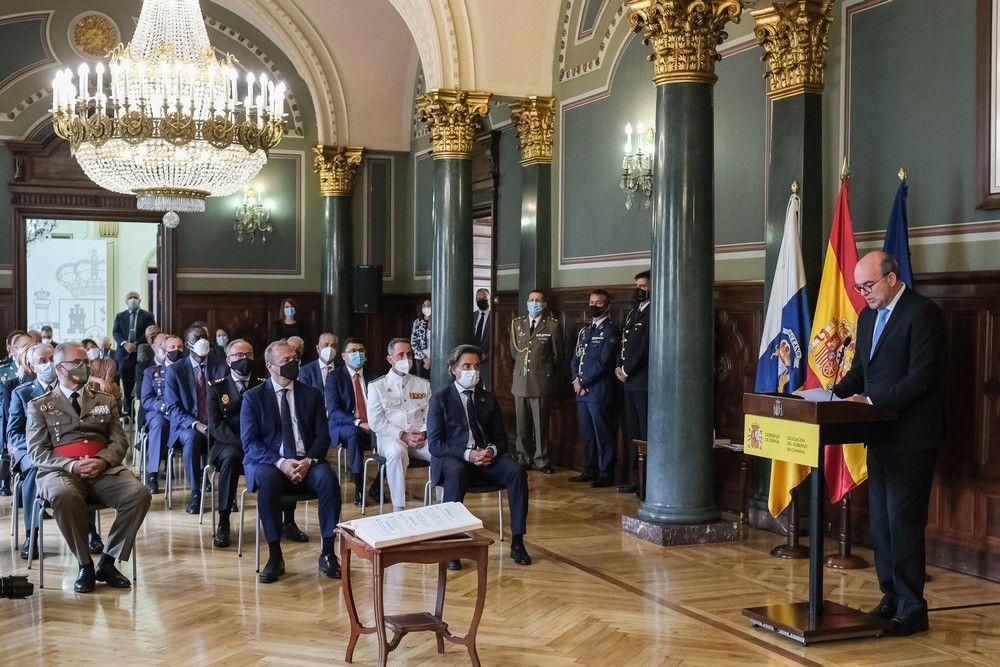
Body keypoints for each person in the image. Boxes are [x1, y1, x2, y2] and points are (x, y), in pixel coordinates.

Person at [832, 251, 945, 637]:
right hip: (878, 435)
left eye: (868, 285)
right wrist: (827, 395)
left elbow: (920, 378)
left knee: (903, 522)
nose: (862, 294)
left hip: (913, 437)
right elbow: (860, 372)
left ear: (892, 278)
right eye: (858, 287)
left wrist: (872, 403)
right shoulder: (866, 318)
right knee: (881, 523)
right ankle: (891, 598)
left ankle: (913, 607)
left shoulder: (923, 313)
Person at [26, 342, 152, 593]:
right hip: (61, 472)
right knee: (64, 496)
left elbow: (119, 440)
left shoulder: (105, 400)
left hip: (102, 469)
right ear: (60, 367)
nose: (85, 367)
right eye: (78, 363)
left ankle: (107, 561)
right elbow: (36, 451)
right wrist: (71, 465)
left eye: (86, 362)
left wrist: (103, 461)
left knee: (139, 494)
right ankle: (84, 564)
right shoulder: (40, 405)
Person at [241, 340, 341, 583]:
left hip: (306, 461)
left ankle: (328, 552)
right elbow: (251, 443)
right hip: (271, 463)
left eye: (295, 359)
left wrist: (308, 460)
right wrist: (281, 463)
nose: (293, 364)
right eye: (286, 361)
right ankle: (275, 555)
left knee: (328, 479)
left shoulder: (312, 394)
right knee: (267, 480)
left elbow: (322, 435)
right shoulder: (253, 398)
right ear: (270, 366)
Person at [427, 344, 531, 569]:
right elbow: (435, 445)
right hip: (455, 460)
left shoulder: (488, 399)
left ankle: (518, 542)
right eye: (466, 366)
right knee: (456, 470)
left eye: (476, 366)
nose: (472, 371)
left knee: (516, 471)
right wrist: (468, 454)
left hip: (486, 459)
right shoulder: (440, 400)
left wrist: (490, 451)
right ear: (454, 369)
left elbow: (502, 439)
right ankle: (451, 545)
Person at [205, 339, 308, 548]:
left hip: (263, 443)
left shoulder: (263, 384)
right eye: (239, 356)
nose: (245, 359)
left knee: (286, 455)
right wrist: (246, 443)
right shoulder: (217, 387)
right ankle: (223, 522)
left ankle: (288, 521)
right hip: (228, 444)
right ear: (228, 360)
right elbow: (215, 427)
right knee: (232, 459)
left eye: (249, 355)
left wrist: (258, 445)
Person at [7, 341, 106, 560]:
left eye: (52, 359)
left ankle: (89, 530)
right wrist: (40, 446)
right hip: (33, 450)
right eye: (42, 361)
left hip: (67, 449)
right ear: (32, 367)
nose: (49, 364)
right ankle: (32, 533)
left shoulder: (75, 388)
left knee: (85, 463)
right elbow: (13, 433)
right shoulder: (23, 394)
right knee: (36, 467)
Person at [165, 325, 227, 513]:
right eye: (198, 338)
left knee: (231, 441)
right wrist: (196, 424)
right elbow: (172, 408)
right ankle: (196, 493)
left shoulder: (221, 366)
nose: (203, 341)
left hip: (216, 423)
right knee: (193, 438)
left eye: (205, 337)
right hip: (188, 425)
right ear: (187, 344)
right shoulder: (176, 370)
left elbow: (228, 400)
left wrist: (216, 423)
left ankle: (227, 493)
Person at [366, 338, 432, 511]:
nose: (406, 358)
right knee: (397, 453)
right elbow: (375, 421)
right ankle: (398, 508)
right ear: (390, 359)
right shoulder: (377, 386)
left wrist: (424, 433)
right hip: (391, 438)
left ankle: (441, 504)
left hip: (420, 438)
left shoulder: (423, 384)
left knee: (440, 451)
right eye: (400, 355)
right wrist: (402, 435)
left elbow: (430, 414)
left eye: (409, 354)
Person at [570, 289, 620, 488]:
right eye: (591, 302)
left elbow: (605, 362)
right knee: (588, 434)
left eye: (599, 303)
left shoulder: (611, 331)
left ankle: (606, 473)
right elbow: (575, 358)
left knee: (603, 434)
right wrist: (575, 380)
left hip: (598, 392)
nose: (594, 306)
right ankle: (589, 469)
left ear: (607, 306)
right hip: (581, 393)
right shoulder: (585, 331)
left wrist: (583, 382)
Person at [509, 289, 562, 474]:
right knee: (521, 425)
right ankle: (523, 457)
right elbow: (514, 352)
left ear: (544, 304)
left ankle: (542, 460)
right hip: (520, 381)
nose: (534, 303)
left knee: (540, 426)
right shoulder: (517, 324)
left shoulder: (552, 325)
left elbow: (557, 356)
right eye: (531, 299)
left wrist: (543, 372)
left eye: (538, 300)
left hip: (540, 383)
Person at [325, 338, 378, 506]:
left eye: (361, 350)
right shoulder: (335, 377)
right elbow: (334, 411)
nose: (358, 354)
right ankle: (360, 487)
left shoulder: (374, 375)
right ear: (344, 356)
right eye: (353, 351)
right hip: (344, 426)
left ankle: (376, 486)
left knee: (395, 441)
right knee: (355, 434)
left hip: (374, 424)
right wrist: (358, 422)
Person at [615, 270, 651, 495]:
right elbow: (624, 343)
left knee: (645, 433)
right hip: (628, 381)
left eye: (644, 285)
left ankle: (647, 482)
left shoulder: (653, 312)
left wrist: (627, 369)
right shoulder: (632, 313)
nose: (638, 289)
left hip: (642, 381)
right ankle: (635, 478)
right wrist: (619, 366)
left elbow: (644, 347)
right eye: (636, 284)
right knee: (632, 431)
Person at [140, 333, 181, 493]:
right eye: (172, 347)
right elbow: (146, 399)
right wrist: (164, 406)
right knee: (158, 425)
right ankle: (153, 475)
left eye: (179, 347)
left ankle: (199, 476)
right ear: (164, 351)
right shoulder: (152, 372)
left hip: (181, 413)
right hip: (160, 412)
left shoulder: (189, 371)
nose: (176, 350)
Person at [112, 291, 157, 422]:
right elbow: (116, 332)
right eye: (130, 297)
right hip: (124, 355)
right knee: (126, 385)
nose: (133, 299)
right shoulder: (120, 316)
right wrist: (125, 343)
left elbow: (150, 332)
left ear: (140, 300)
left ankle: (141, 412)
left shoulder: (148, 315)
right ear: (126, 301)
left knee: (141, 385)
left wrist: (136, 344)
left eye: (135, 297)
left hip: (141, 355)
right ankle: (128, 414)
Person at [0, 331, 30, 496]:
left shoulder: (36, 369)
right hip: (6, 412)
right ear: (13, 349)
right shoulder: (5, 370)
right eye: (25, 347)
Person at [132, 324, 162, 425]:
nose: (155, 336)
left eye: (157, 334)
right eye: (152, 335)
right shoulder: (143, 367)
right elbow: (142, 396)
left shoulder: (177, 365)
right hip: (152, 409)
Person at [82, 338, 121, 403]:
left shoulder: (109, 362)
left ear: (98, 348)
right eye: (88, 349)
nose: (91, 350)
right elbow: (85, 378)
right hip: (88, 400)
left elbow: (106, 385)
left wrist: (101, 382)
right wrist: (100, 381)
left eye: (93, 347)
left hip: (108, 397)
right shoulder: (83, 366)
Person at [472, 288, 492, 389]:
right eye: (478, 298)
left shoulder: (495, 316)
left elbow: (498, 340)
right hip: (472, 360)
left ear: (489, 298)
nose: (481, 300)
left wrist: (487, 355)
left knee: (489, 390)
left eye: (484, 298)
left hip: (488, 361)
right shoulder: (472, 316)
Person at [410, 297, 432, 378]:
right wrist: (425, 358)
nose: (426, 307)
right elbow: (413, 343)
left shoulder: (438, 321)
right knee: (421, 382)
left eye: (429, 305)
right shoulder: (418, 322)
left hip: (436, 358)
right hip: (420, 358)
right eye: (424, 305)